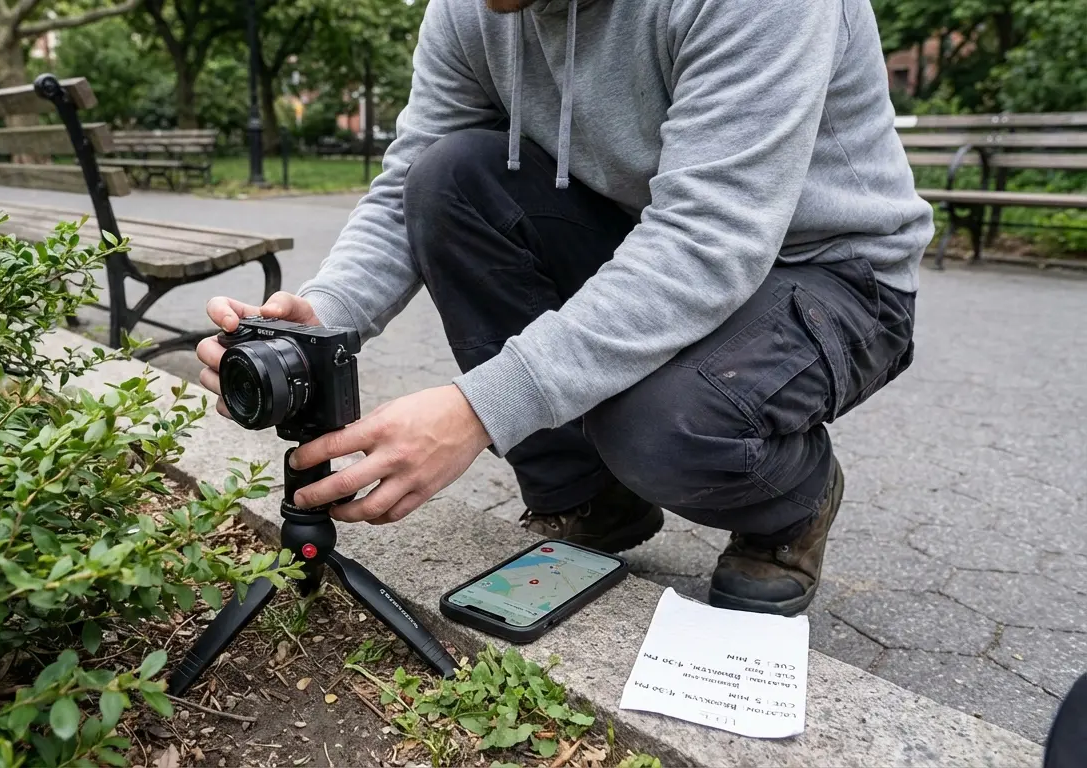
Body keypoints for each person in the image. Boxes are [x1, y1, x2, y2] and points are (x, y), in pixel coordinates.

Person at [198, 0, 933, 616]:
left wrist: (480, 407)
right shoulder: (471, 11)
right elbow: (401, 198)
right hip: (650, 231)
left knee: (656, 425)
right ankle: (592, 498)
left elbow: (709, 239)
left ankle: (790, 505)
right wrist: (321, 318)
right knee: (447, 177)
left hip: (831, 269)